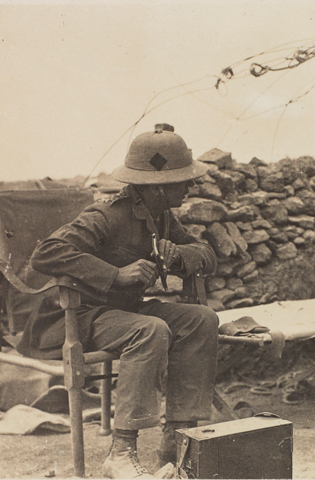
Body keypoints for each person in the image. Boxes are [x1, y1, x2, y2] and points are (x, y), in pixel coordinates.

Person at [17, 124, 218, 478]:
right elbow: (47, 254)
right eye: (183, 178)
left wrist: (178, 256)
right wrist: (115, 275)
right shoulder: (107, 214)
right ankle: (121, 454)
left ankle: (176, 444)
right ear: (157, 186)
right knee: (149, 330)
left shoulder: (162, 217)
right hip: (74, 316)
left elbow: (207, 253)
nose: (191, 184)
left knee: (201, 319)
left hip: (119, 314)